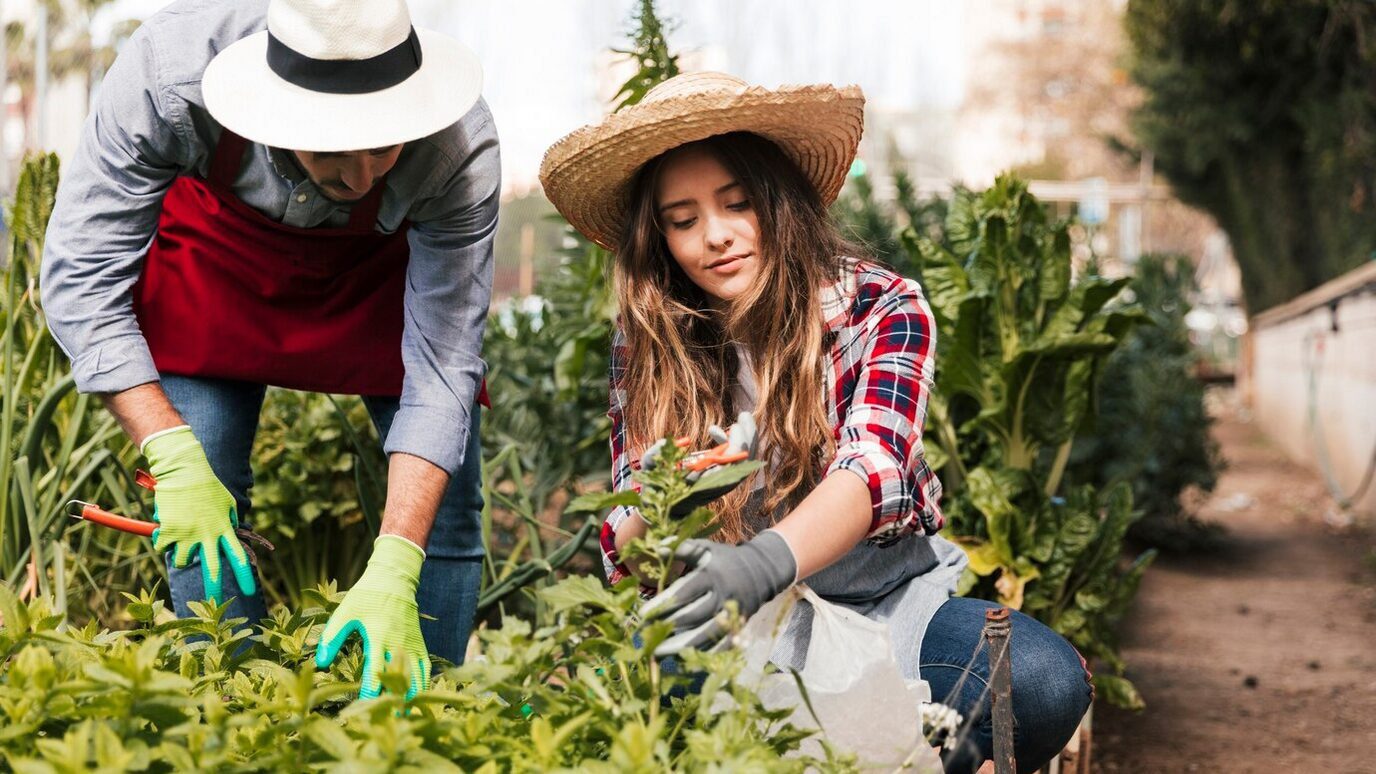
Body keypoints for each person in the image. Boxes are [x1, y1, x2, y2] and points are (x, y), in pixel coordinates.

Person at [539, 72, 1092, 771]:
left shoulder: (877, 306)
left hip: (884, 605)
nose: (715, 237)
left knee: (1039, 682)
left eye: (737, 203)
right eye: (682, 220)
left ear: (777, 199)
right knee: (642, 710)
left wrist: (764, 561)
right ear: (660, 239)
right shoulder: (647, 339)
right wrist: (663, 496)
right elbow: (626, 541)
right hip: (730, 627)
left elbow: (873, 469)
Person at [40, 0, 500, 700]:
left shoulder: (457, 148)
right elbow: (81, 281)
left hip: (381, 274)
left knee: (447, 503)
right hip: (217, 264)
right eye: (335, 151)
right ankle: (238, 708)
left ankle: (424, 709)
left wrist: (397, 561)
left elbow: (442, 372)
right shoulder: (169, 75)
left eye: (386, 144)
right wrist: (171, 455)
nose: (365, 177)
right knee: (203, 473)